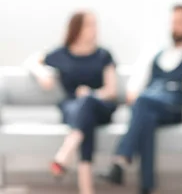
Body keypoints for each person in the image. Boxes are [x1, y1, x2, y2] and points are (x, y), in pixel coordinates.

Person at [100, 4, 182, 194]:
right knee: (145, 117)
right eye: (173, 22)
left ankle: (122, 158)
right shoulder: (155, 53)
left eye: (180, 22)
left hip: (173, 107)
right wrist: (133, 94)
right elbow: (135, 86)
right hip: (149, 104)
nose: (175, 26)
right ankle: (145, 187)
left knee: (143, 104)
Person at [25, 11, 118, 194]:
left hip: (100, 106)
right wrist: (42, 73)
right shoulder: (61, 54)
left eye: (95, 24)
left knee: (87, 104)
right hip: (73, 109)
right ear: (77, 28)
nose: (94, 29)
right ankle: (86, 189)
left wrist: (91, 93)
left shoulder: (103, 55)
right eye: (89, 25)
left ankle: (65, 155)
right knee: (84, 119)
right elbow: (31, 61)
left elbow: (111, 91)